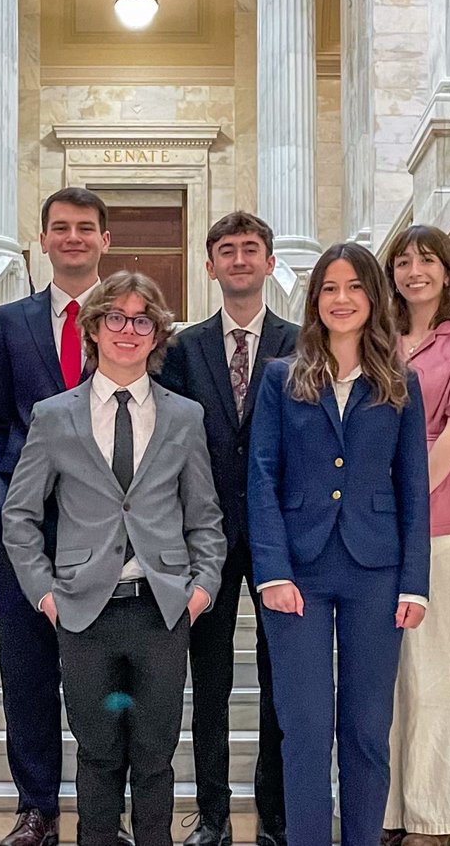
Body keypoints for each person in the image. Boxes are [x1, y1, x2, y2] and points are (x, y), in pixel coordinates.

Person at [2, 271, 227, 846]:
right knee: (97, 754)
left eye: (142, 320)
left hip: (162, 609)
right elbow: (19, 515)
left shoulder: (185, 416)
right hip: (84, 612)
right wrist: (45, 594)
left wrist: (201, 589)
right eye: (116, 318)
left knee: (155, 756)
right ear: (94, 328)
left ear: (157, 335)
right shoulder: (55, 415)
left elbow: (205, 516)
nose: (128, 330)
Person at [247, 242, 430, 846]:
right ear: (315, 299)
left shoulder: (400, 382)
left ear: (373, 297)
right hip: (297, 571)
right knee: (304, 730)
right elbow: (262, 477)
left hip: (376, 570)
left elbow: (413, 487)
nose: (342, 298)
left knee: (367, 731)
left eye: (354, 287)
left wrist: (415, 582)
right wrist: (271, 571)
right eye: (330, 287)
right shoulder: (280, 378)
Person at [156, 211, 296, 846]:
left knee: (278, 683)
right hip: (203, 538)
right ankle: (212, 817)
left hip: (280, 536)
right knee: (209, 686)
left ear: (269, 263)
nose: (240, 259)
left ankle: (275, 816)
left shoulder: (302, 343)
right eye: (228, 250)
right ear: (210, 266)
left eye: (251, 249)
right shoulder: (183, 350)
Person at [0, 187, 113, 846]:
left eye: (85, 228)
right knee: (27, 673)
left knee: (105, 680)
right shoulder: (10, 322)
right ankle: (36, 808)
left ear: (105, 241)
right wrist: (3, 501)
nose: (73, 238)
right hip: (26, 527)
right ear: (43, 239)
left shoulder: (130, 319)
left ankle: (103, 811)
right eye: (60, 227)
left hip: (109, 531)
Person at [380, 226, 450, 846]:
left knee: (431, 669)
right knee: (381, 673)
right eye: (403, 261)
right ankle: (386, 812)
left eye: (426, 260)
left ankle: (432, 818)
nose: (414, 271)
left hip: (434, 520)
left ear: (447, 271)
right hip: (368, 524)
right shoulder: (377, 338)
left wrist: (400, 499)